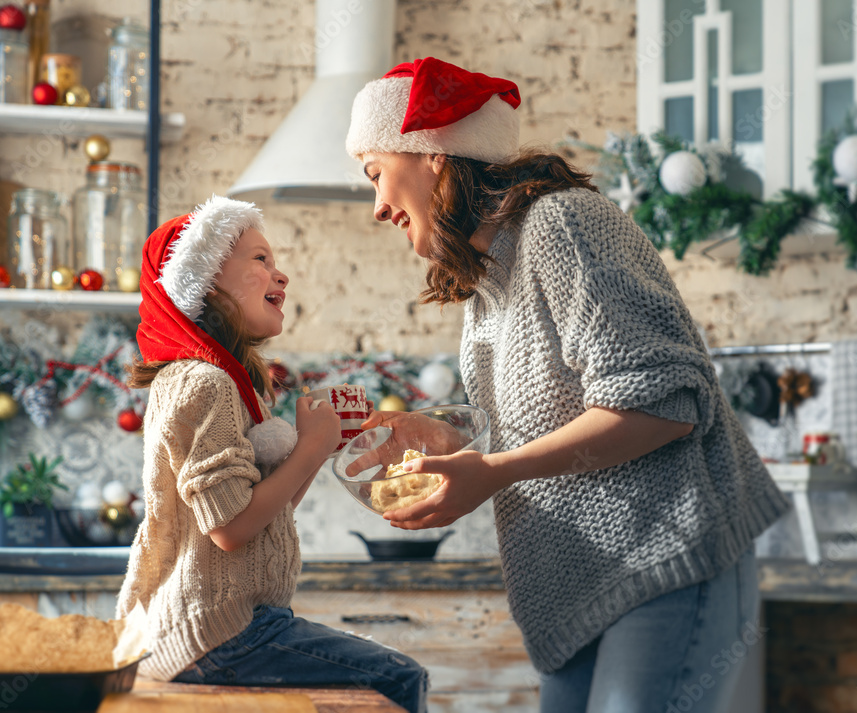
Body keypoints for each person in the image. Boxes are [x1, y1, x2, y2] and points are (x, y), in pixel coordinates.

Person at [345, 57, 790, 713]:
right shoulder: (489, 277)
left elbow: (659, 407)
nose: (378, 206)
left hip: (666, 555)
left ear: (433, 154)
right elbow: (555, 422)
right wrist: (453, 442)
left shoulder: (562, 225)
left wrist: (492, 470)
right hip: (581, 588)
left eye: (376, 174)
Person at [115, 195, 428, 713]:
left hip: (237, 625)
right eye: (261, 260)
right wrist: (309, 447)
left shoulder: (232, 385)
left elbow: (261, 515)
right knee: (397, 677)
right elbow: (231, 530)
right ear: (207, 279)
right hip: (216, 634)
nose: (281, 276)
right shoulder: (203, 383)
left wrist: (320, 449)